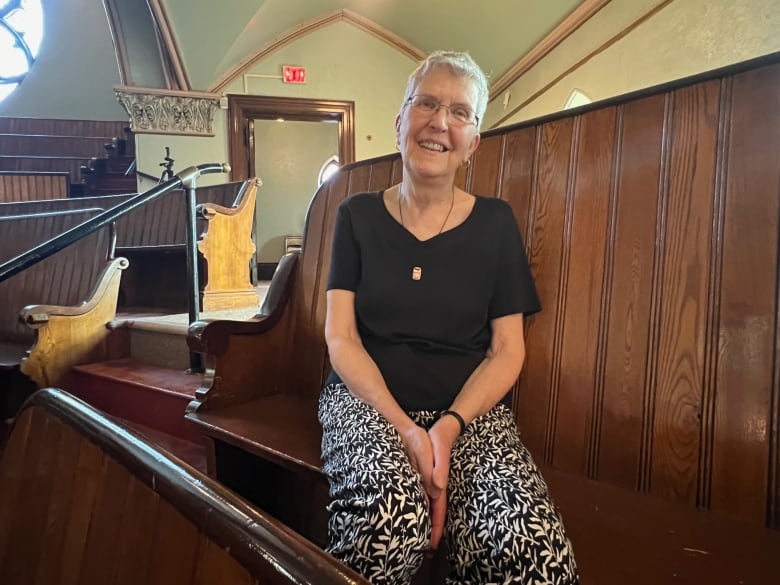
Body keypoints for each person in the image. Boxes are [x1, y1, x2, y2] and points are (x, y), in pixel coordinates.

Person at [319, 50, 578, 585]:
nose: (440, 122)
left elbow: (508, 350)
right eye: (427, 104)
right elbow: (341, 337)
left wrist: (448, 428)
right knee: (385, 518)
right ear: (400, 122)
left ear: (473, 142)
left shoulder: (496, 223)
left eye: (460, 112)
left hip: (472, 413)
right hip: (367, 403)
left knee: (527, 547)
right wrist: (409, 432)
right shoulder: (357, 216)